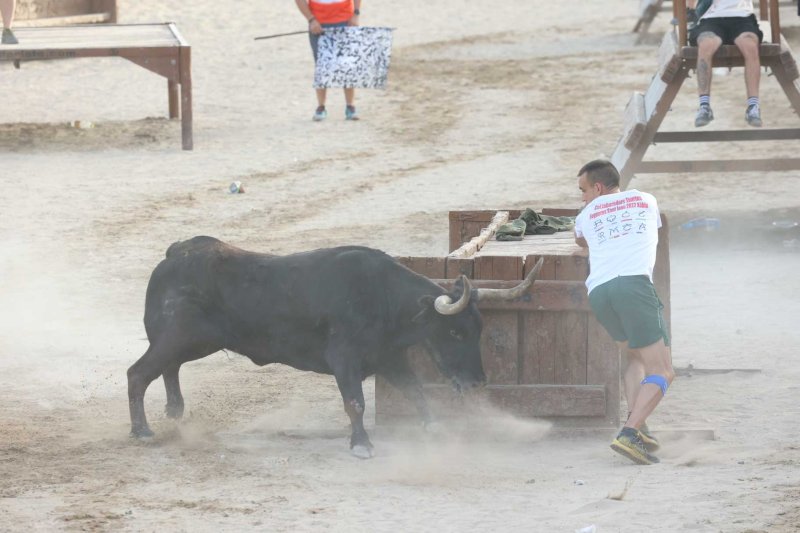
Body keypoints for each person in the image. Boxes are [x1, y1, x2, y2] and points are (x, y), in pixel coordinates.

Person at [574, 159, 675, 465]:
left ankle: (639, 426)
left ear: (598, 187)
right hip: (633, 286)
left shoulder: (585, 214)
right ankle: (630, 433)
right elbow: (654, 227)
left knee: (633, 357)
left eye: (583, 190)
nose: (582, 197)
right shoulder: (646, 200)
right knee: (663, 370)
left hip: (600, 291)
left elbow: (581, 242)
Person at [688, 0, 763, 127]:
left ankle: (753, 105)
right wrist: (691, 9)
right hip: (711, 17)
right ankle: (704, 105)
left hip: (742, 16)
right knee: (706, 45)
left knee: (750, 46)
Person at [294, 0, 362, 121]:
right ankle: (321, 107)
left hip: (346, 21)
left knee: (347, 64)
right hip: (318, 23)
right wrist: (311, 20)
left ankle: (350, 106)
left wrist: (356, 14)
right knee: (321, 65)